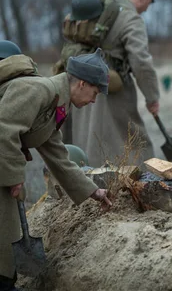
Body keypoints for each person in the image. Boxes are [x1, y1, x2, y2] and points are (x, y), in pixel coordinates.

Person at [0, 48, 112, 291]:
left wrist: (93, 191)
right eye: (94, 92)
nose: (94, 100)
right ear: (82, 83)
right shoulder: (37, 90)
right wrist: (15, 177)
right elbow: (4, 130)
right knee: (5, 224)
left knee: (7, 228)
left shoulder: (56, 104)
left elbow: (57, 155)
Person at [69, 0, 161, 166]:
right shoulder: (131, 19)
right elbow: (141, 61)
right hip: (111, 87)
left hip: (80, 82)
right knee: (131, 141)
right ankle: (138, 182)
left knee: (86, 136)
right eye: (149, 3)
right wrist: (152, 97)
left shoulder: (101, 9)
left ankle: (86, 180)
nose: (146, 9)